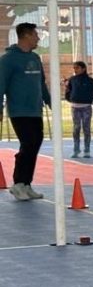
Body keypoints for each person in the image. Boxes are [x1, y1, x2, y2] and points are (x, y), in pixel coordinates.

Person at [1, 22, 51, 200]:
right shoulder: (8, 59)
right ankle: (18, 184)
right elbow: (1, 84)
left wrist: (49, 100)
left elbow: (41, 83)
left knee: (35, 143)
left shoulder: (35, 58)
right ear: (27, 36)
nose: (38, 38)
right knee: (28, 143)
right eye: (35, 35)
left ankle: (27, 184)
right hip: (19, 110)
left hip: (35, 110)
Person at [64, 60, 93, 158]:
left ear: (83, 69)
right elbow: (68, 89)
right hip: (75, 108)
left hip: (86, 108)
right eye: (74, 68)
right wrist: (69, 98)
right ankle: (76, 150)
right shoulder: (72, 79)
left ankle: (87, 150)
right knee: (76, 128)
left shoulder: (90, 81)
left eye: (77, 68)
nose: (75, 70)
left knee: (86, 129)